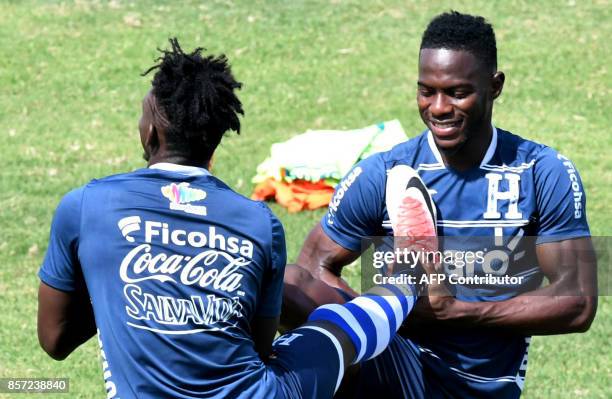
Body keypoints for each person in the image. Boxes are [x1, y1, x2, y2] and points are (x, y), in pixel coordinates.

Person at [36, 38, 435, 399]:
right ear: (215, 140)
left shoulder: (88, 206)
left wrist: (118, 278)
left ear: (151, 133)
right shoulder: (257, 221)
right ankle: (408, 278)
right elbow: (262, 351)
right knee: (336, 333)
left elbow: (54, 341)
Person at [282, 11, 598, 399]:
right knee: (285, 282)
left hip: (484, 385)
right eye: (426, 91)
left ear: (495, 86)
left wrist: (458, 311)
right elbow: (315, 268)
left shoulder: (541, 172)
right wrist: (387, 312)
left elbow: (579, 302)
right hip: (400, 365)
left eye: (457, 92)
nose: (438, 108)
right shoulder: (385, 173)